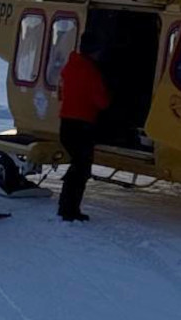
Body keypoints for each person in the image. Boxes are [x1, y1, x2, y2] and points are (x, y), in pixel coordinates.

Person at [57, 31, 110, 221]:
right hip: (83, 126)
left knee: (76, 166)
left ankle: (66, 207)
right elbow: (102, 102)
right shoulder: (92, 72)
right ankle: (69, 210)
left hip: (66, 124)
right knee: (81, 169)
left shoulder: (70, 67)